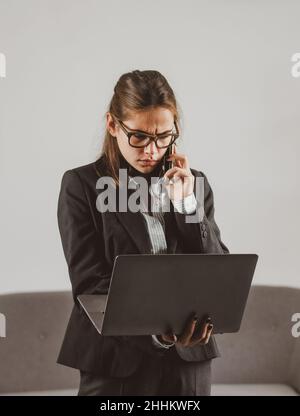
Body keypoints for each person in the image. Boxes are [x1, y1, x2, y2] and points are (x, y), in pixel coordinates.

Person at [57, 69, 230, 396]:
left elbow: (215, 270)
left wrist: (187, 204)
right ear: (112, 125)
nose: (153, 150)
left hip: (188, 359)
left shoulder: (194, 182)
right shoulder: (81, 186)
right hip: (115, 360)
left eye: (164, 136)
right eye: (139, 136)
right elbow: (90, 284)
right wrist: (160, 330)